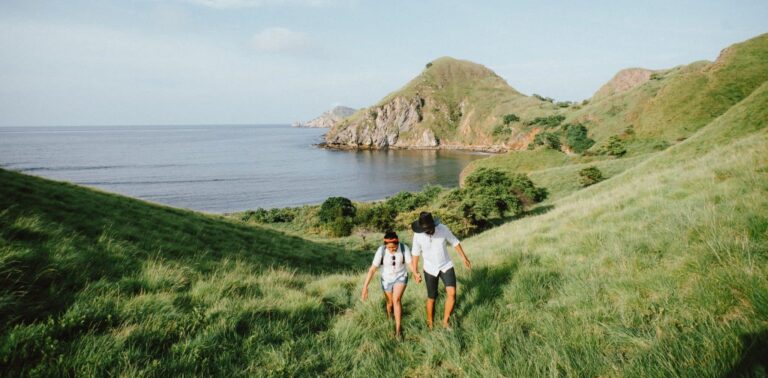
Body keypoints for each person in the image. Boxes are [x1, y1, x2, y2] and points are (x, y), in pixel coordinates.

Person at [410, 211, 471, 329]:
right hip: (429, 268)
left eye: (430, 228)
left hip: (446, 265)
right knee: (432, 298)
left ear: (434, 224)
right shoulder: (418, 235)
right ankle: (430, 323)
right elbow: (415, 254)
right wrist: (415, 272)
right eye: (426, 229)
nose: (428, 231)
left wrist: (464, 258)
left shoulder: (443, 229)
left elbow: (455, 242)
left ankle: (445, 322)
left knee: (452, 294)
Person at [361, 231, 422, 338]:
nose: (392, 250)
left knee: (396, 300)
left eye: (394, 247)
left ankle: (398, 330)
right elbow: (372, 270)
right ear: (385, 246)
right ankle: (390, 317)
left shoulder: (404, 248)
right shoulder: (381, 251)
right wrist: (365, 287)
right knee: (389, 303)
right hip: (386, 279)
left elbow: (410, 264)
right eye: (389, 248)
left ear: (397, 243)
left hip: (401, 276)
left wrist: (416, 274)